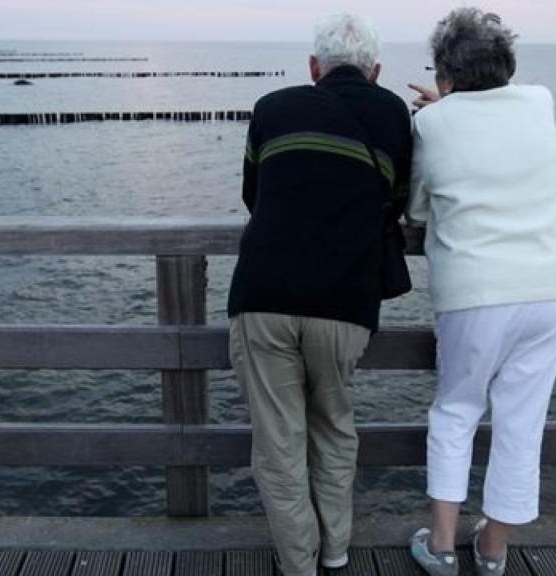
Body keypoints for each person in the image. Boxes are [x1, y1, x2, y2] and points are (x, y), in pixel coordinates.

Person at [227, 13, 413, 576]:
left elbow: (251, 195)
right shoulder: (392, 112)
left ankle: (298, 564)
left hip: (263, 296)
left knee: (279, 446)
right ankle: (335, 552)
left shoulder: (272, 107)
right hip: (345, 304)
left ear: (313, 67)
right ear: (376, 72)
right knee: (334, 426)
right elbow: (398, 201)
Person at [404, 8, 556, 576]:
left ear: (445, 76)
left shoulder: (431, 125)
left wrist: (442, 116)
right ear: (507, 65)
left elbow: (416, 208)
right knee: (521, 419)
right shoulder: (541, 101)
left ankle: (440, 545)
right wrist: (454, 108)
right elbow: (494, 123)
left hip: (478, 290)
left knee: (457, 409)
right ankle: (493, 548)